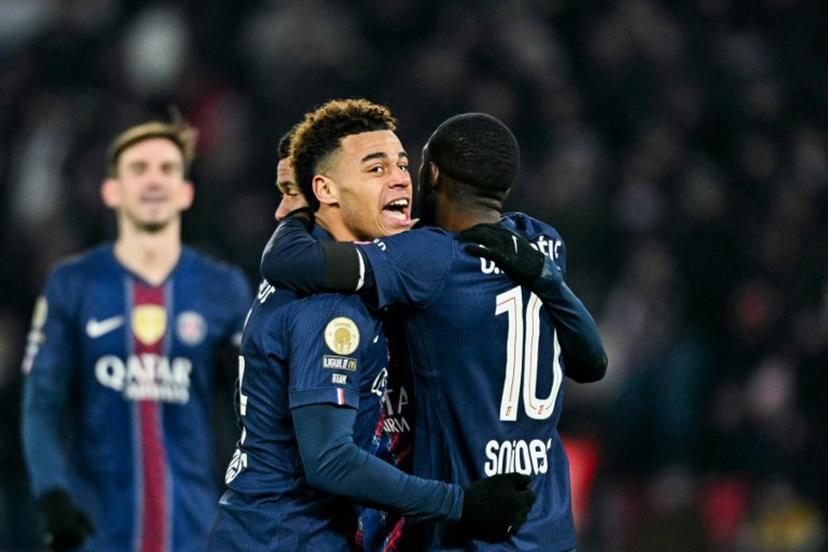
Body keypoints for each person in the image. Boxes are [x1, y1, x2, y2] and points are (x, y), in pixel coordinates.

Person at [260, 112, 608, 550]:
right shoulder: (541, 241)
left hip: (471, 529)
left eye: (414, 164)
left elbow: (288, 262)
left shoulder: (430, 257)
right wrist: (547, 279)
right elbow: (591, 365)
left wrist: (299, 209)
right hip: (548, 526)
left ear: (434, 174)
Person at [209, 99, 535, 551]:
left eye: (402, 164)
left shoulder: (339, 276)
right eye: (376, 169)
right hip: (289, 538)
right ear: (326, 190)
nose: (400, 178)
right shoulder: (330, 308)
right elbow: (330, 460)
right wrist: (461, 503)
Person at [21, 115, 252, 551]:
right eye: (139, 169)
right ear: (112, 190)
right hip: (96, 529)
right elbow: (41, 405)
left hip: (195, 528)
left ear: (185, 192)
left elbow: (257, 406)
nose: (154, 181)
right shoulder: (72, 284)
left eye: (167, 169)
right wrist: (51, 494)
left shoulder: (223, 287)